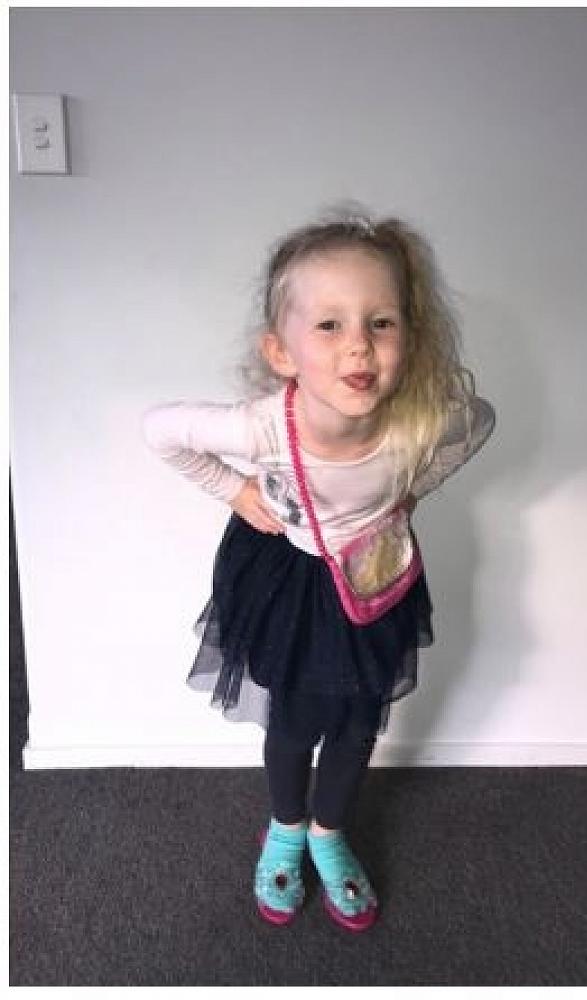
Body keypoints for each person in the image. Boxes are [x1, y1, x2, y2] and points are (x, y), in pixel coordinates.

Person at [142, 204, 496, 932]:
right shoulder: (260, 427)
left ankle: (330, 832)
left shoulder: (420, 419)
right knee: (297, 720)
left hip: (372, 579)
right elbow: (162, 432)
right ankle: (286, 826)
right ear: (282, 351)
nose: (358, 345)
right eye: (329, 325)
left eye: (381, 322)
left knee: (359, 721)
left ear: (408, 336)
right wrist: (234, 490)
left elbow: (478, 421)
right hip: (294, 585)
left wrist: (413, 488)